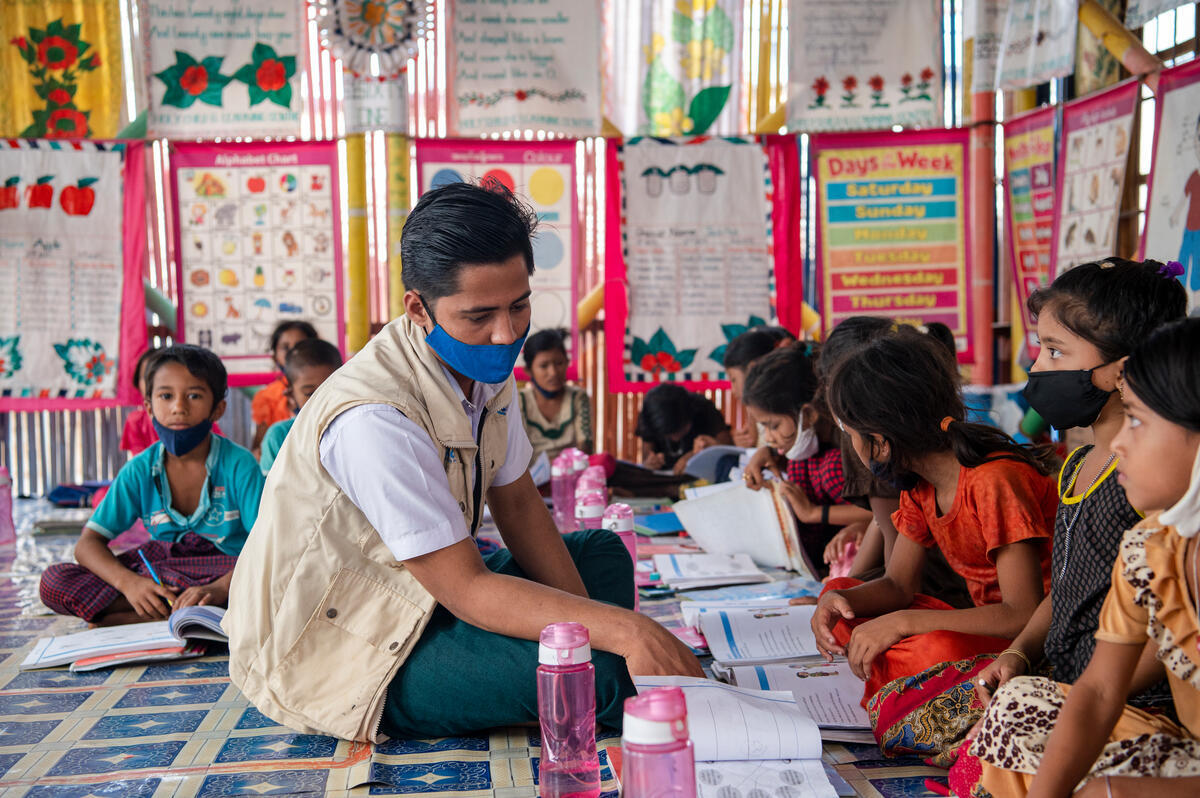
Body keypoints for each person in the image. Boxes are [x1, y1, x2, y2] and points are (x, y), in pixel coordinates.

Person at [224, 181, 702, 743]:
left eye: (519, 306)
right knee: (598, 679)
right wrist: (626, 633)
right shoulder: (374, 418)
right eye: (479, 316)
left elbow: (518, 503)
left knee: (602, 556)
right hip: (346, 645)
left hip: (424, 593)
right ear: (418, 309)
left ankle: (536, 671)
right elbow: (468, 588)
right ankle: (543, 680)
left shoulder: (483, 368)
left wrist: (600, 628)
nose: (506, 334)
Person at [963, 318, 1200, 798]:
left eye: (1138, 421)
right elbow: (1097, 693)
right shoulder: (1151, 548)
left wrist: (1115, 791)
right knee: (1018, 711)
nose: (1120, 443)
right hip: (1184, 750)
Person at [808, 329, 1058, 749]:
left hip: (1028, 642)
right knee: (842, 597)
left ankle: (906, 688)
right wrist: (835, 602)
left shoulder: (993, 480)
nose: (852, 445)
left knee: (933, 647)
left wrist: (902, 623)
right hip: (983, 625)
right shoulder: (919, 486)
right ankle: (904, 686)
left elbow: (1021, 613)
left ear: (880, 442)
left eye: (850, 433)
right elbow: (898, 585)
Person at [40, 345, 263, 625]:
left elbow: (268, 543)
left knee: (283, 575)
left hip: (228, 571)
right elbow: (88, 544)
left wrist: (221, 588)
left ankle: (143, 614)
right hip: (162, 575)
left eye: (194, 396)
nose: (178, 408)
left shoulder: (239, 465)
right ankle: (175, 610)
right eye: (166, 396)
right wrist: (130, 584)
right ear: (149, 407)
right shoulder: (140, 470)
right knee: (55, 581)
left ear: (217, 409)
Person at [740, 345, 872, 572]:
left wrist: (813, 513)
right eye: (764, 427)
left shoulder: (845, 451)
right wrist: (766, 453)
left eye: (773, 426)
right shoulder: (802, 453)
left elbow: (877, 512)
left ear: (809, 413)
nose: (768, 437)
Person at [259, 338, 343, 475]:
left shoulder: (352, 428)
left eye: (328, 390)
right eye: (309, 393)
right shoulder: (279, 436)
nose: (320, 400)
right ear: (291, 395)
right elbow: (271, 488)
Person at [517, 327, 593, 460]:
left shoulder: (577, 397)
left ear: (567, 363)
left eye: (559, 363)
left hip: (571, 470)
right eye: (544, 366)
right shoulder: (519, 401)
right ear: (529, 371)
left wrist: (564, 467)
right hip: (529, 473)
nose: (553, 372)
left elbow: (585, 446)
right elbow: (515, 453)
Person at [250, 321, 318, 456]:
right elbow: (259, 448)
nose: (293, 352)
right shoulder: (265, 397)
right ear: (274, 356)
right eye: (285, 347)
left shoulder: (326, 384)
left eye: (300, 345)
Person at [636, 383, 732, 474]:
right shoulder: (651, 416)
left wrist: (696, 455)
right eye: (668, 435)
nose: (675, 439)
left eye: (679, 431)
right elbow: (647, 457)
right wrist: (650, 464)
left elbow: (727, 446)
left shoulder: (703, 407)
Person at [723, 328, 783, 447]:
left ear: (752, 369)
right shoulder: (754, 407)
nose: (733, 390)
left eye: (734, 379)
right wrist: (746, 441)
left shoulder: (781, 403)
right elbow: (755, 441)